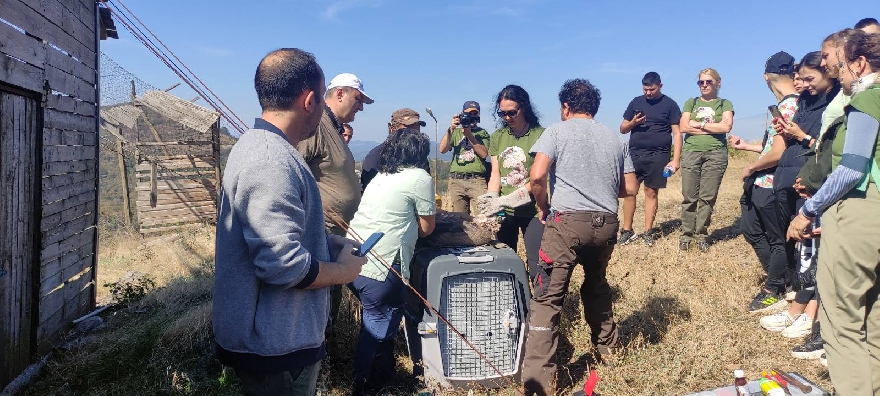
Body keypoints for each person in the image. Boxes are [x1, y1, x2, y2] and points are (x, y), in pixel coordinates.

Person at [213, 48, 367, 396]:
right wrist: (344, 272)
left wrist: (330, 244)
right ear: (310, 100)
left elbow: (276, 237)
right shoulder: (272, 162)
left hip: (276, 340)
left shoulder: (261, 147)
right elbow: (282, 266)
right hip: (276, 348)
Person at [522, 78, 637, 396]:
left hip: (567, 223)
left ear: (565, 106)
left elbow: (537, 175)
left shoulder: (556, 132)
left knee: (547, 299)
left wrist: (543, 207)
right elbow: (630, 189)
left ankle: (539, 383)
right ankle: (611, 355)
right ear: (594, 108)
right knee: (597, 286)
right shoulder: (615, 139)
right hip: (606, 224)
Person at [787, 29, 880, 395]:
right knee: (873, 319)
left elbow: (852, 167)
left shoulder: (868, 99)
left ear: (859, 64)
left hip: (860, 211)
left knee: (841, 322)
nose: (835, 72)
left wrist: (809, 210)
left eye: (840, 66)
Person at [346, 128, 436, 395]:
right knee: (378, 325)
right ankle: (364, 385)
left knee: (379, 319)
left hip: (353, 258)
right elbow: (427, 228)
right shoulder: (419, 177)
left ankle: (384, 375)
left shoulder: (382, 175)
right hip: (383, 264)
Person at [729, 51, 800, 313]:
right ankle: (782, 278)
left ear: (765, 76)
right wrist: (747, 146)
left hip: (772, 184)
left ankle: (775, 288)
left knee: (776, 239)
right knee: (752, 231)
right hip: (761, 181)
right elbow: (773, 144)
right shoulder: (787, 106)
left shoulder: (789, 106)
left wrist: (751, 167)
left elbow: (779, 153)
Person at [478, 85, 545, 289]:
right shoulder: (498, 136)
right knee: (504, 263)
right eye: (502, 113)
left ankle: (540, 307)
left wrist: (509, 199)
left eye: (512, 112)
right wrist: (491, 198)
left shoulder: (540, 135)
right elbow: (496, 173)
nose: (507, 117)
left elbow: (538, 178)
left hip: (532, 211)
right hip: (504, 213)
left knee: (536, 265)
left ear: (523, 108)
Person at [297, 72, 373, 236]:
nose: (361, 107)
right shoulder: (317, 124)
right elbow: (291, 170)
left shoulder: (334, 127)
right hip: (319, 233)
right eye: (358, 99)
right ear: (340, 94)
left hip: (333, 234)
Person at [618, 71, 682, 246]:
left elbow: (677, 134)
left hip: (658, 155)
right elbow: (623, 129)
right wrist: (633, 123)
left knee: (651, 192)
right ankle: (627, 231)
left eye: (652, 89)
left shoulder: (670, 105)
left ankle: (648, 231)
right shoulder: (636, 102)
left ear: (660, 86)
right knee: (630, 191)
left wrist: (675, 160)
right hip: (634, 153)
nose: (648, 93)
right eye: (645, 89)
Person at [678, 68, 734, 252]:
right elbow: (684, 127)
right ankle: (686, 235)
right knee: (689, 196)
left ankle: (701, 235)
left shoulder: (725, 103)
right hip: (692, 152)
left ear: (718, 83)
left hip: (716, 153)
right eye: (701, 82)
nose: (704, 85)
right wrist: (712, 127)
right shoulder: (691, 102)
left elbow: (726, 127)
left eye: (708, 81)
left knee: (707, 197)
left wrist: (700, 124)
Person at [439, 100, 490, 214]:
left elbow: (484, 154)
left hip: (477, 180)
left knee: (483, 216)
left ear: (478, 115)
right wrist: (451, 129)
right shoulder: (455, 133)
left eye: (474, 113)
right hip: (456, 180)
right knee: (459, 221)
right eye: (468, 114)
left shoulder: (482, 133)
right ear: (461, 114)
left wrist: (469, 135)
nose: (471, 116)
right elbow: (442, 150)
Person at [360, 108, 426, 190]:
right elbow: (368, 193)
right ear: (392, 129)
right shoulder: (375, 157)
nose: (413, 134)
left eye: (416, 129)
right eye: (408, 129)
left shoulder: (419, 156)